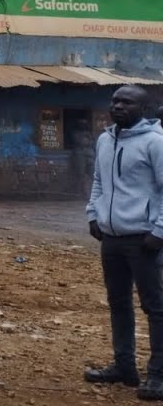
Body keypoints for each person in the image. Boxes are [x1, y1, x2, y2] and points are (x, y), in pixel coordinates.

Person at [85, 85, 163, 399]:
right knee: (118, 304)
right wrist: (94, 214)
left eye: (126, 102)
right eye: (115, 101)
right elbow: (99, 180)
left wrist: (160, 229)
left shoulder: (156, 143)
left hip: (145, 239)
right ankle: (124, 366)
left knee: (155, 308)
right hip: (112, 238)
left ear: (143, 109)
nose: (118, 106)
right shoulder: (106, 138)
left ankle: (157, 375)